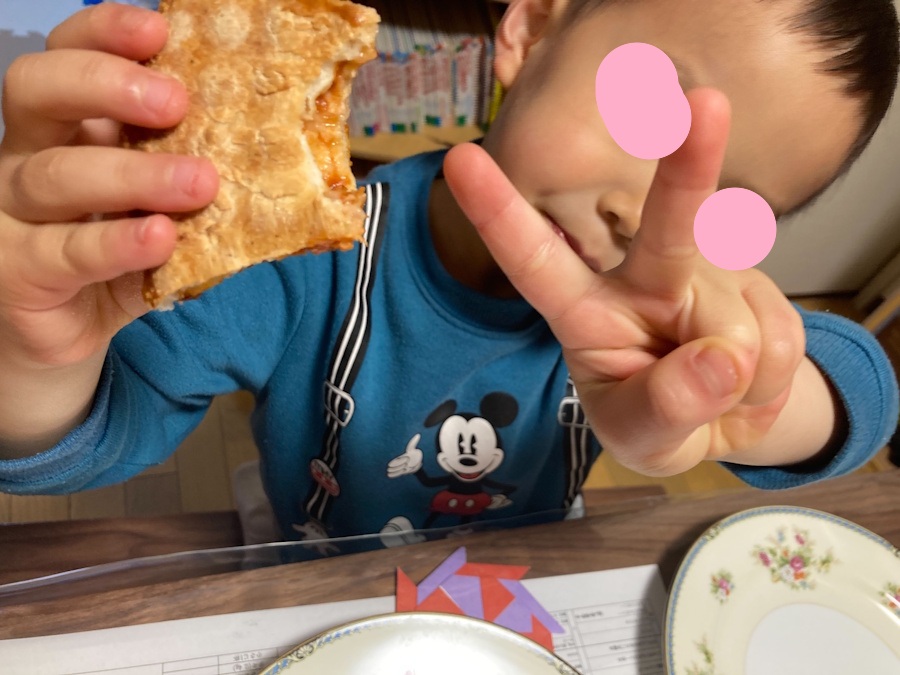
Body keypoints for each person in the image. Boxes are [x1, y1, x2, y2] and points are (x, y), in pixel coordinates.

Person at [0, 0, 897, 552]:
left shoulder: (661, 324)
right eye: (647, 113)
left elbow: (861, 386)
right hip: (317, 565)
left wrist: (748, 395)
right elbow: (99, 429)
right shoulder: (305, 260)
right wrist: (38, 359)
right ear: (531, 29)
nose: (642, 209)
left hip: (525, 568)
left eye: (725, 202)